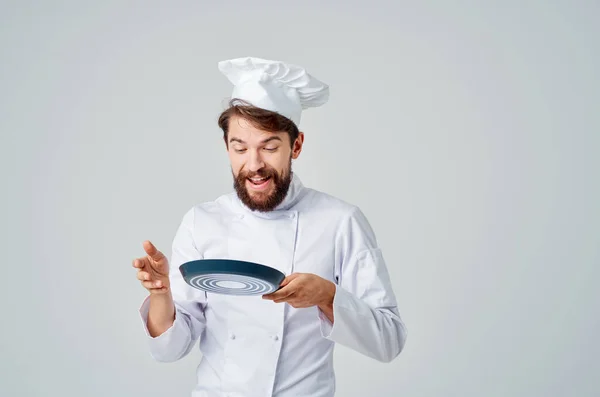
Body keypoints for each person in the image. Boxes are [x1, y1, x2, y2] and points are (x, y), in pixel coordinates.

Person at [132, 56, 407, 397]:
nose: (254, 165)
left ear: (296, 145)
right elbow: (168, 350)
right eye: (240, 148)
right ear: (227, 147)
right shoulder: (201, 222)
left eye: (270, 147)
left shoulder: (339, 221)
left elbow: (389, 341)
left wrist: (327, 296)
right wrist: (162, 295)